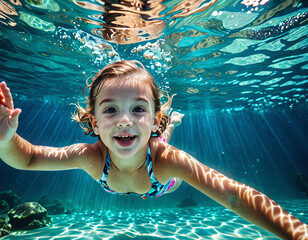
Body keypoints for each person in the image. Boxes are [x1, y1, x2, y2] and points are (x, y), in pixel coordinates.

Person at [0, 60, 307, 239]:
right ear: (93, 122)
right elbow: (28, 158)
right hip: (146, 154)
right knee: (154, 141)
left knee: (162, 146)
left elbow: (234, 196)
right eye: (110, 111)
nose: (123, 121)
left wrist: (297, 233)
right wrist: (6, 141)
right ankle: (167, 127)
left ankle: (170, 125)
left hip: (163, 183)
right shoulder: (89, 155)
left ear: (153, 117)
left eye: (137, 109)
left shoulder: (170, 163)